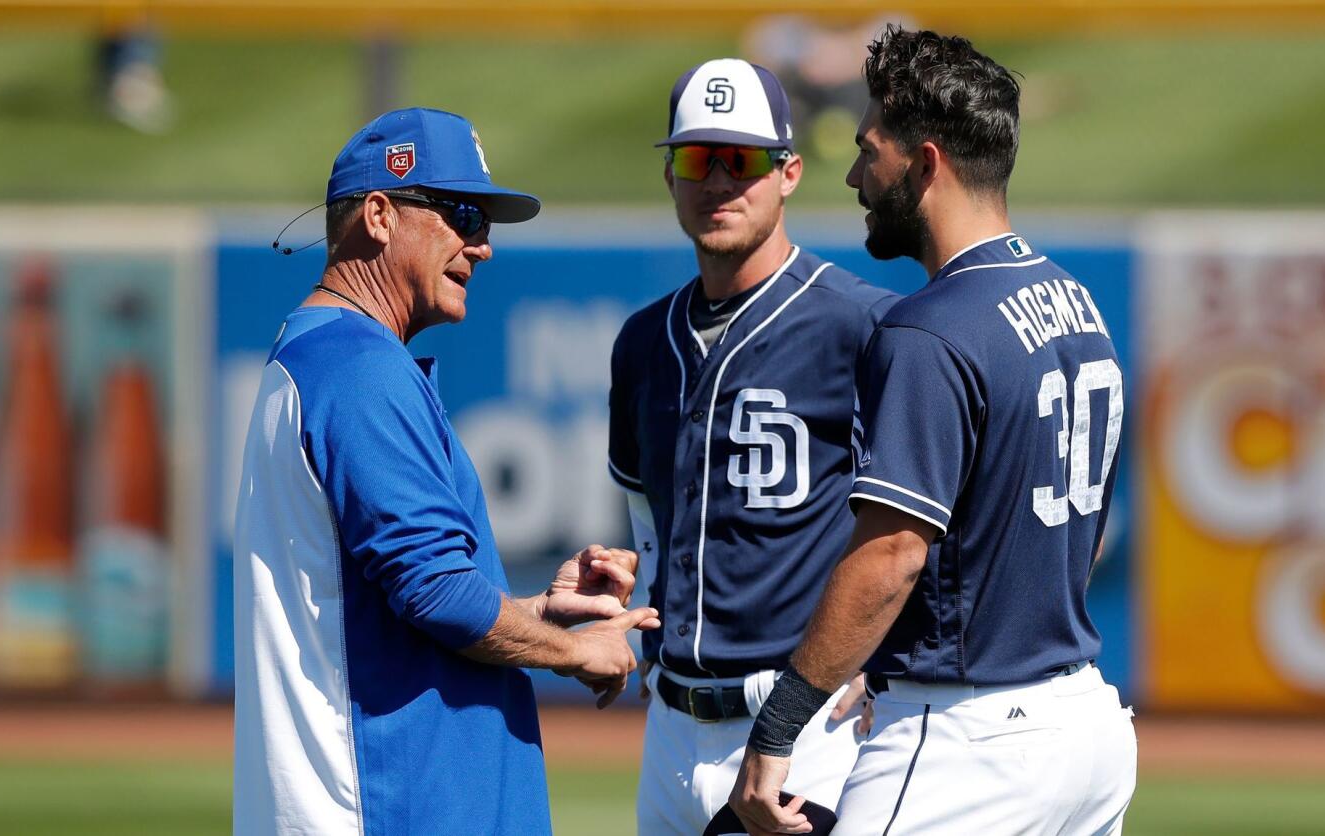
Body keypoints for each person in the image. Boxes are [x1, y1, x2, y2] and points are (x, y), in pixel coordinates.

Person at [730, 26, 1137, 835]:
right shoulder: (1078, 305)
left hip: (966, 745)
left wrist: (779, 727)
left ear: (924, 162)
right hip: (1088, 729)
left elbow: (890, 557)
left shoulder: (928, 329)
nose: (853, 174)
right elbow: (1084, 535)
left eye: (867, 149)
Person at [232, 107, 657, 836]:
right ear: (379, 215)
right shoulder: (358, 368)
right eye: (462, 214)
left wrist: (534, 615)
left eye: (485, 224)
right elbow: (434, 592)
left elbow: (393, 605)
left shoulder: (318, 357)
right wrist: (573, 648)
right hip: (386, 806)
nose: (482, 246)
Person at [606, 59, 897, 834]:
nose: (721, 182)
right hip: (669, 729)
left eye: (746, 160)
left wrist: (899, 646)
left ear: (789, 173)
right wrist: (638, 597)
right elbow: (641, 501)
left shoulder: (861, 324)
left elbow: (948, 495)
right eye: (700, 159)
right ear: (671, 174)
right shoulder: (642, 342)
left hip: (800, 726)